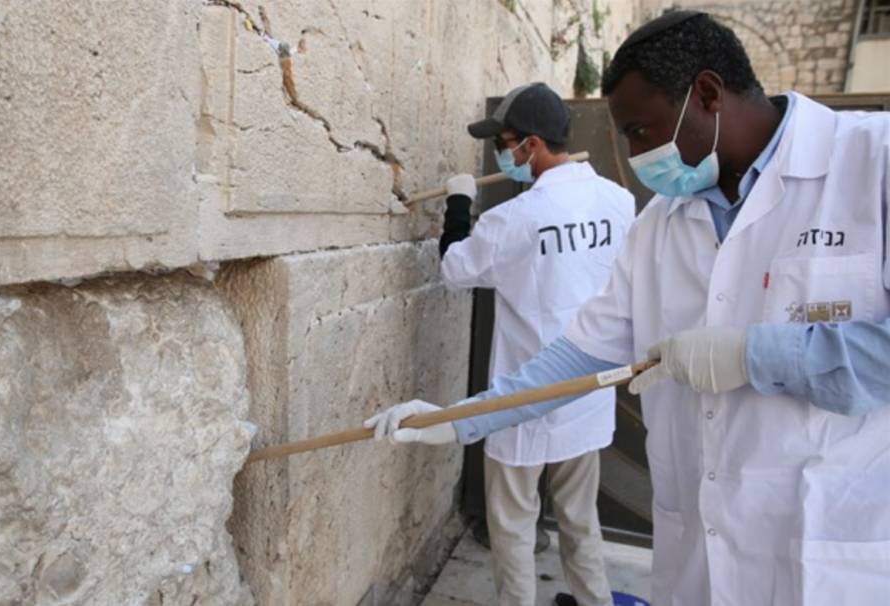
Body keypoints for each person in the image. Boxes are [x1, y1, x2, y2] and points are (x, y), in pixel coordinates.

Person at [367, 11, 890, 606]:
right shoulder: (658, 221)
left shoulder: (873, 163)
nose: (637, 155)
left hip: (829, 557)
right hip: (697, 557)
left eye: (641, 131)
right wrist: (460, 419)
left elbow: (457, 267)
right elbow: (579, 354)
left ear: (708, 94)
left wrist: (755, 356)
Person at [407, 82, 634, 606]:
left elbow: (455, 268)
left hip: (523, 397)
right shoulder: (618, 201)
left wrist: (459, 203)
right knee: (581, 520)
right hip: (586, 392)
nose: (501, 154)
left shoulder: (514, 217)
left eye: (503, 143)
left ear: (531, 144)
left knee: (512, 525)